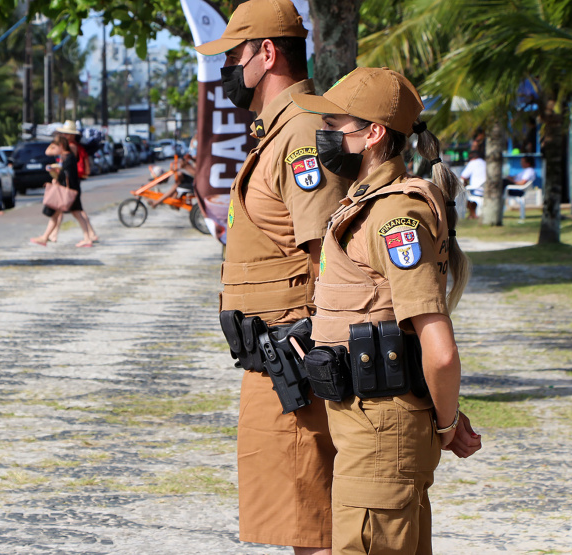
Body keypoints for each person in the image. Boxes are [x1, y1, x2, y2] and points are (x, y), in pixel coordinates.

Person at [290, 66, 483, 554]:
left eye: (334, 127)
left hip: (381, 436)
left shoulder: (394, 217)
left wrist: (443, 425)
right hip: (369, 431)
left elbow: (439, 351)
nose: (324, 138)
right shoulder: (366, 206)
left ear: (372, 133)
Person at [195, 0, 349, 552]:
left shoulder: (303, 131)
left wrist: (321, 351)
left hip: (299, 358)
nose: (227, 70)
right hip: (273, 357)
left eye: (233, 55)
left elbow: (328, 253)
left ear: (266, 53)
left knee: (314, 525)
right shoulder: (276, 131)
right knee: (296, 520)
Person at [29, 136, 97, 248]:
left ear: (61, 146)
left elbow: (67, 176)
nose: (53, 149)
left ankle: (87, 238)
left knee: (76, 214)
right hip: (72, 190)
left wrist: (57, 180)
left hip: (70, 192)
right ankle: (45, 237)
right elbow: (50, 154)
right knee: (60, 215)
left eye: (55, 147)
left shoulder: (69, 158)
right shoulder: (67, 157)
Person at [49, 121, 98, 243]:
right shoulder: (73, 146)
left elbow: (64, 163)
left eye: (66, 134)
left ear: (72, 135)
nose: (64, 136)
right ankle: (53, 235)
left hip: (70, 183)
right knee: (67, 211)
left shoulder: (71, 147)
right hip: (71, 182)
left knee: (75, 211)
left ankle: (89, 235)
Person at [460, 150, 487, 219]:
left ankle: (473, 214)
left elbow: (463, 177)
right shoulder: (485, 163)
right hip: (487, 189)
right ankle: (472, 214)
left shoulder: (473, 163)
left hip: (477, 190)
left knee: (464, 195)